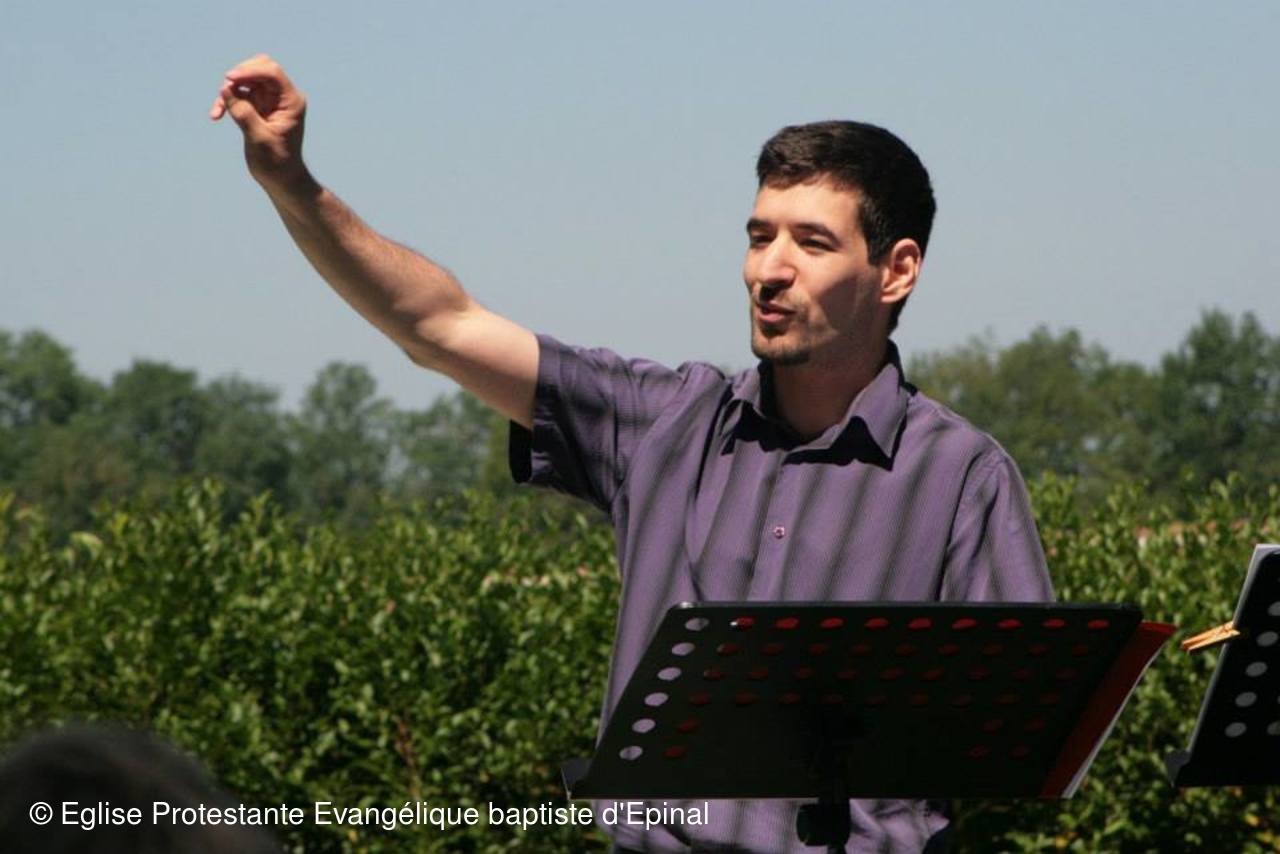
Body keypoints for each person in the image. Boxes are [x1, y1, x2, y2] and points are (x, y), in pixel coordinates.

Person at [212, 54, 1054, 853]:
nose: (768, 269)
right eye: (759, 236)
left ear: (897, 270)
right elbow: (439, 326)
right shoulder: (664, 423)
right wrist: (291, 183)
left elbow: (1026, 725)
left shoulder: (962, 476)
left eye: (811, 242)